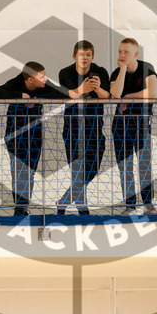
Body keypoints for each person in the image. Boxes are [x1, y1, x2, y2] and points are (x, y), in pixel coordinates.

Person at [0, 61, 65, 216]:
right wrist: (21, 97)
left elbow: (62, 93)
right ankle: (19, 208)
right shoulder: (16, 83)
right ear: (30, 80)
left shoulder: (43, 85)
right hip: (15, 135)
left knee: (30, 173)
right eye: (42, 76)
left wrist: (35, 98)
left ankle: (23, 207)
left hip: (35, 135)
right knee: (18, 172)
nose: (45, 79)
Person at [56, 40, 111, 215]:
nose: (84, 58)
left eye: (88, 55)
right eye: (81, 54)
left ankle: (65, 199)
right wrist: (83, 88)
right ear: (74, 56)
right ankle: (82, 206)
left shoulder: (100, 72)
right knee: (77, 168)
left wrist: (97, 88)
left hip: (95, 126)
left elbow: (107, 96)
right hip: (72, 127)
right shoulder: (65, 73)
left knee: (93, 166)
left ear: (92, 56)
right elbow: (69, 93)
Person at [109, 38, 157, 212]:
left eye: (126, 52)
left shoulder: (146, 68)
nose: (122, 55)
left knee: (144, 164)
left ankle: (148, 204)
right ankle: (130, 205)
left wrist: (128, 96)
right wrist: (123, 68)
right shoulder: (116, 72)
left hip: (142, 123)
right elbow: (115, 94)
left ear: (136, 54)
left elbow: (151, 93)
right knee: (125, 165)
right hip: (120, 125)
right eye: (120, 52)